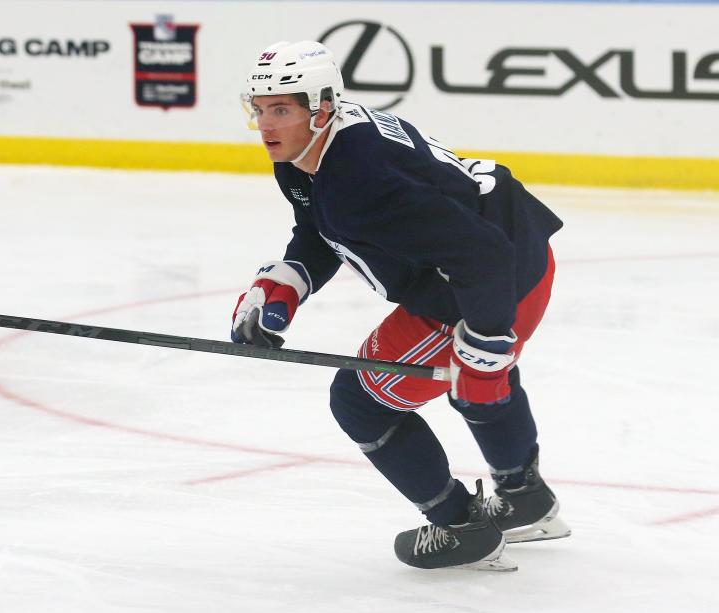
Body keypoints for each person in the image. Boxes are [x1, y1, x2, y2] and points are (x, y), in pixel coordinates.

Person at [231, 41, 571, 572]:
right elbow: (319, 228)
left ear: (320, 107)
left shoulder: (360, 177)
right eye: (259, 109)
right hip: (515, 249)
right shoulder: (310, 154)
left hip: (491, 275)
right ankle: (523, 499)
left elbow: (482, 255)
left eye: (281, 109)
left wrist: (486, 342)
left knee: (361, 401)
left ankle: (461, 527)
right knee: (472, 382)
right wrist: (288, 283)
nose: (266, 124)